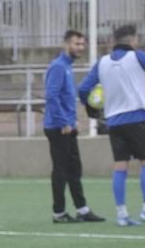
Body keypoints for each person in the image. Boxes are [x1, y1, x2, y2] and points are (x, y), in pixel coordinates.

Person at [77, 25, 145, 227]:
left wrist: (90, 107)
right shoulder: (137, 57)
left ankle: (122, 214)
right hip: (135, 118)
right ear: (132, 41)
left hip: (114, 122)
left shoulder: (102, 63)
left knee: (120, 166)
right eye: (136, 38)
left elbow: (83, 88)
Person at [42, 30, 104, 224]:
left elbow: (65, 97)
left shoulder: (67, 67)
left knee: (74, 169)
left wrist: (74, 119)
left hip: (68, 125)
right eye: (77, 44)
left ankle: (82, 209)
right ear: (66, 44)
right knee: (60, 171)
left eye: (82, 44)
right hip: (58, 128)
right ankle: (59, 213)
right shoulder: (58, 67)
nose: (80, 48)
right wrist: (64, 122)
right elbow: (52, 96)